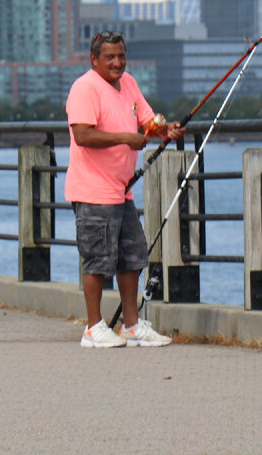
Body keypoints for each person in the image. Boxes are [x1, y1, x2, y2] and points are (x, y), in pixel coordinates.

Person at [65, 31, 184, 348]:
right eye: (109, 57)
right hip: (92, 190)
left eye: (121, 55)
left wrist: (164, 129)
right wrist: (125, 137)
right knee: (97, 259)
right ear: (94, 59)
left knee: (132, 255)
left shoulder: (129, 83)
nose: (117, 62)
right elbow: (83, 136)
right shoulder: (84, 88)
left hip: (121, 190)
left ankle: (131, 325)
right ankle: (93, 327)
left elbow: (147, 121)